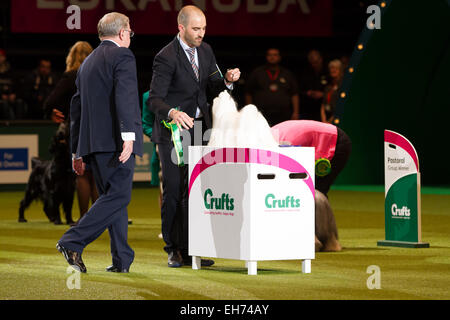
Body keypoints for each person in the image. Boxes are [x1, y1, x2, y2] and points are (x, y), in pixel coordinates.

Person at [148, 5, 241, 268]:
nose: (201, 34)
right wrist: (172, 113)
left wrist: (228, 81)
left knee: (196, 191)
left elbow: (213, 84)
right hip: (174, 131)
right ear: (181, 27)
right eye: (195, 29)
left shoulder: (207, 50)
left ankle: (192, 248)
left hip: (201, 128)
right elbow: (154, 99)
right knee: (174, 191)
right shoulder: (165, 57)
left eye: (203, 29)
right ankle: (173, 248)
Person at [56, 12, 143, 274]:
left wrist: (76, 150)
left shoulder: (87, 62)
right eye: (129, 31)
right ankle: (72, 241)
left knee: (113, 198)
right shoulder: (123, 55)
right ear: (121, 33)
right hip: (116, 142)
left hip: (93, 143)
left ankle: (121, 260)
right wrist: (129, 136)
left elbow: (76, 107)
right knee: (120, 195)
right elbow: (126, 96)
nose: (130, 35)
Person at [44, 41, 98, 222]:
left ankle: (84, 219)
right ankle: (98, 219)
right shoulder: (99, 75)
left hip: (78, 128)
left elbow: (49, 102)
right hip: (99, 128)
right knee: (95, 175)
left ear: (71, 56)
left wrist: (53, 112)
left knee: (81, 174)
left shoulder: (70, 76)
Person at [271, 120, 351, 196]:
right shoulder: (271, 134)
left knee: (316, 192)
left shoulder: (284, 143)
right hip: (324, 139)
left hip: (336, 142)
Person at [245, 48, 299, 126]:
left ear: (279, 57)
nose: (272, 57)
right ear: (266, 57)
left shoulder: (287, 74)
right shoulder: (257, 73)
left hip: (283, 114)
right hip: (261, 113)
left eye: (275, 55)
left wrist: (296, 112)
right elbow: (248, 93)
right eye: (270, 55)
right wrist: (249, 110)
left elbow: (294, 94)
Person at [298, 49, 328, 121]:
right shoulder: (305, 73)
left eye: (316, 62)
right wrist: (308, 93)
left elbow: (334, 89)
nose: (314, 65)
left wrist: (323, 94)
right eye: (312, 63)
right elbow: (299, 90)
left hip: (325, 107)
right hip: (308, 108)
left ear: (321, 59)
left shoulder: (328, 72)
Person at [0, 49, 27, 119]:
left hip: (12, 97)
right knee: (4, 104)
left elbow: (19, 87)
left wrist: (14, 95)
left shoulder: (11, 71)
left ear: (4, 57)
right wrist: (1, 96)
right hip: (1, 99)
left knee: (19, 102)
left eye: (1, 56)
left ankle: (19, 125)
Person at [321, 59, 343, 124]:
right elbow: (323, 104)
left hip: (338, 119)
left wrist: (331, 120)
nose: (333, 70)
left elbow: (341, 105)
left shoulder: (343, 86)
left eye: (335, 68)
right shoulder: (328, 86)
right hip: (327, 119)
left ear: (340, 70)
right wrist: (324, 121)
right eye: (331, 68)